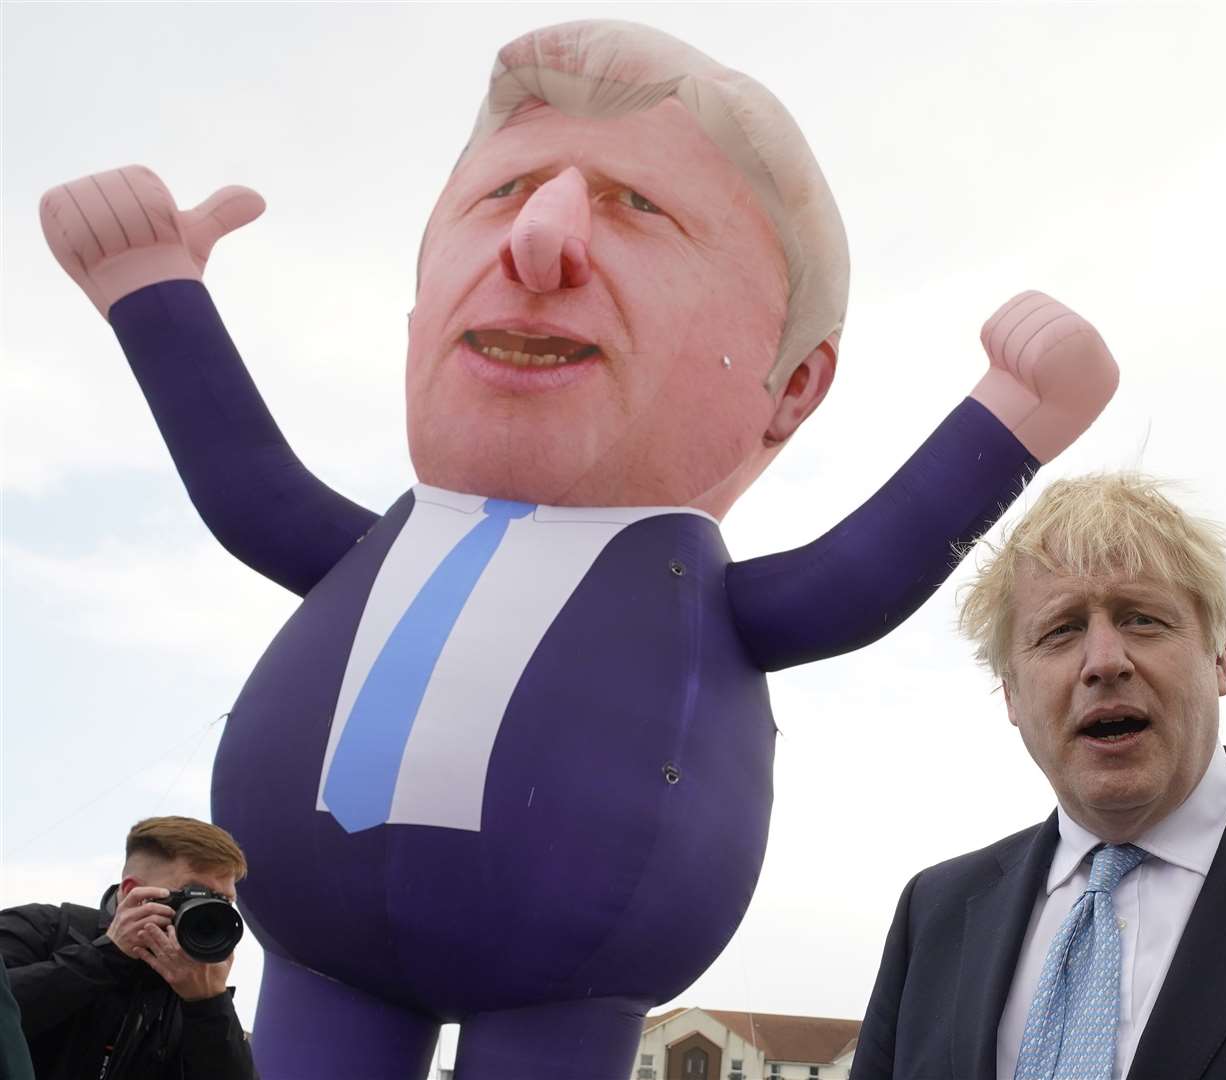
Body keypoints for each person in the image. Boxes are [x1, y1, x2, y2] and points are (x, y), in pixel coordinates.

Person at [36, 21, 1119, 1079]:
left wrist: (1007, 421)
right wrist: (153, 294)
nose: (538, 240)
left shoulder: (690, 595)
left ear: (790, 386)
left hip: (569, 976)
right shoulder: (381, 544)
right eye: (503, 194)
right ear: (418, 309)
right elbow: (248, 490)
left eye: (636, 207)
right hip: (316, 949)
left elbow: (855, 579)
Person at [851, 472, 1226, 1080]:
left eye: (1142, 620)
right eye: (1061, 630)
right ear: (1010, 694)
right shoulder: (934, 915)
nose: (1105, 661)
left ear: (1219, 658)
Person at [0, 817, 256, 1080]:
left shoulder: (191, 993)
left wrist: (209, 1006)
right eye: (194, 895)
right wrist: (107, 956)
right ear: (134, 891)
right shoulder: (42, 928)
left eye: (224, 901)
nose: (208, 914)